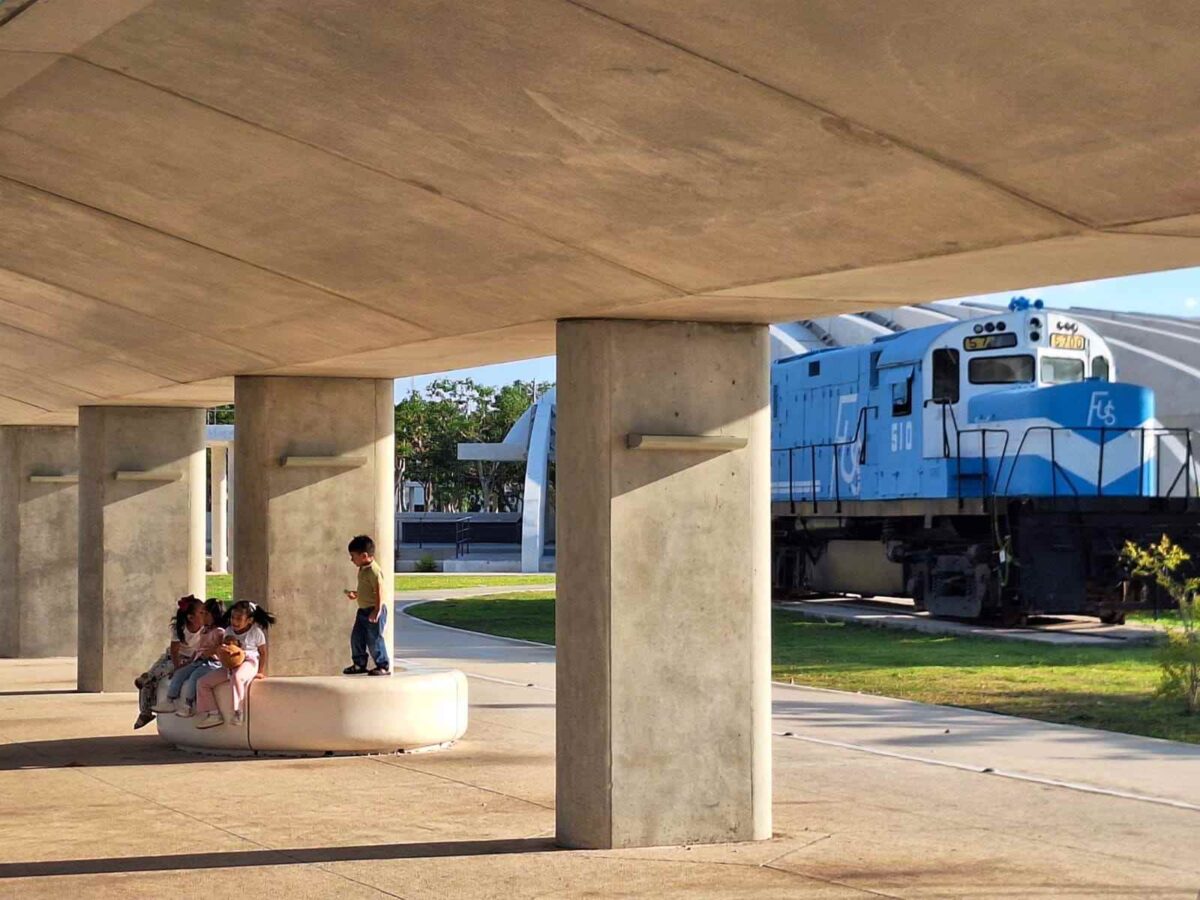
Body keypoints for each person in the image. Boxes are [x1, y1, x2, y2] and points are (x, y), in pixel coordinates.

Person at [194, 600, 274, 728]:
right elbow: (227, 647)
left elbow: (263, 653)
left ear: (249, 620)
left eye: (239, 618)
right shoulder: (229, 630)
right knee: (202, 682)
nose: (234, 621)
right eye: (232, 617)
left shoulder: (256, 633)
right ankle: (213, 713)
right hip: (230, 664)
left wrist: (260, 672)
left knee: (237, 677)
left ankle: (238, 711)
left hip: (249, 662)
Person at [133, 595, 206, 730]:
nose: (205, 614)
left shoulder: (205, 629)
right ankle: (145, 711)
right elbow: (174, 651)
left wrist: (187, 664)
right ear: (190, 617)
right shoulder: (180, 629)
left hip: (189, 660)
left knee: (151, 678)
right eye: (201, 612)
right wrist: (178, 667)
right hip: (174, 658)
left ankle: (147, 682)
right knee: (151, 679)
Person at [158, 599, 225, 717]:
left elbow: (221, 649)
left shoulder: (219, 632)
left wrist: (211, 652)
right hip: (198, 660)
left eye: (205, 613)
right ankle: (170, 700)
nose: (202, 616)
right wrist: (185, 664)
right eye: (201, 613)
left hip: (211, 663)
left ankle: (188, 705)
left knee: (194, 678)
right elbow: (198, 650)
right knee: (180, 673)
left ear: (213, 616)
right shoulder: (204, 630)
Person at [343, 534, 390, 676]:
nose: (352, 560)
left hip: (374, 610)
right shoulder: (363, 569)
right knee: (356, 637)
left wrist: (377, 610)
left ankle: (382, 665)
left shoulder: (374, 571)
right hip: (362, 611)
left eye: (353, 556)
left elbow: (379, 591)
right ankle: (359, 663)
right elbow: (366, 589)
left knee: (374, 639)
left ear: (364, 555)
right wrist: (356, 594)